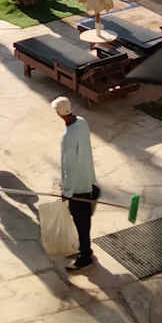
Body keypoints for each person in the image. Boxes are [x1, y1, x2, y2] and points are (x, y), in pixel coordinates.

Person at [54, 95, 97, 270]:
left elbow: (69, 167)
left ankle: (85, 256)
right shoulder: (82, 122)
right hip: (88, 180)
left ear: (59, 114)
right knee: (84, 220)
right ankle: (84, 248)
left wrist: (67, 192)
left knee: (81, 222)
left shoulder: (68, 137)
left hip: (78, 188)